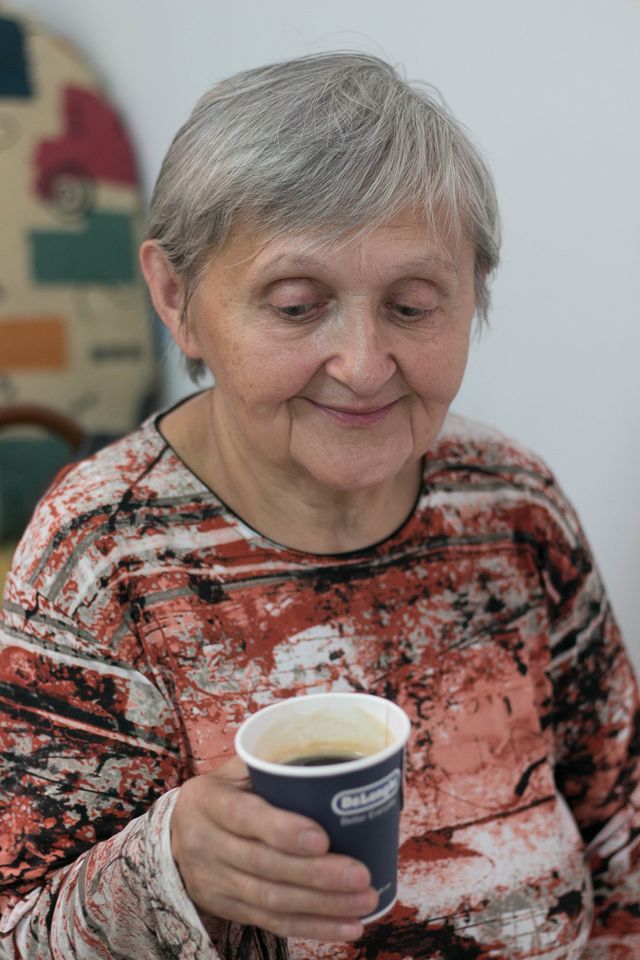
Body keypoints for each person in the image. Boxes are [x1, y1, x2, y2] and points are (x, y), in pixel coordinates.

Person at [0, 51, 638, 960]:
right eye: (298, 307)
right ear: (177, 298)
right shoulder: (102, 554)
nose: (365, 366)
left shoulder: (512, 504)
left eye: (413, 306)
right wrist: (167, 867)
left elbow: (623, 837)